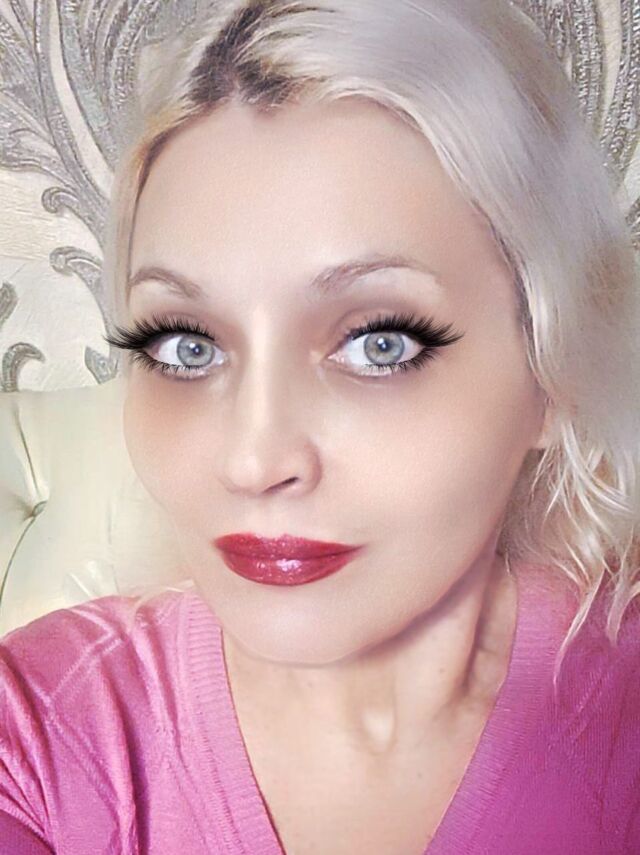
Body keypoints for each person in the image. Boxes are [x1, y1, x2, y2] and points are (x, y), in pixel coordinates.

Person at [1, 1, 639, 852]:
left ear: (552, 372)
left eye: (380, 342)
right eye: (188, 346)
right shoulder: (38, 731)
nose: (254, 457)